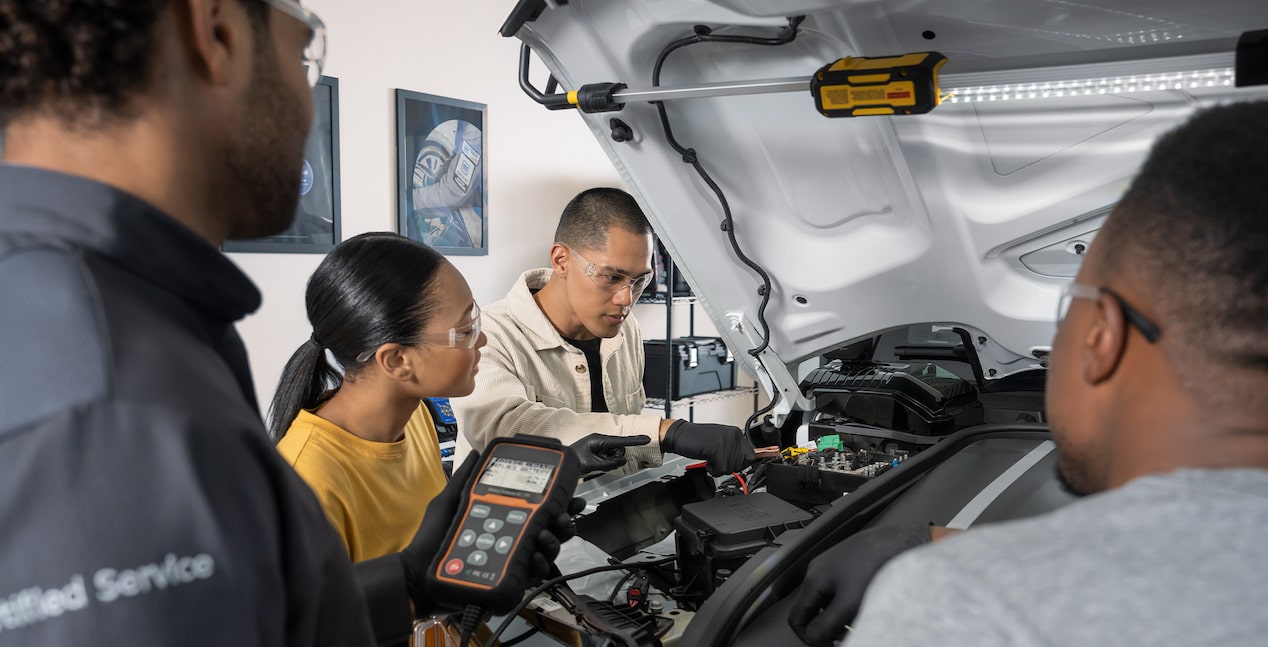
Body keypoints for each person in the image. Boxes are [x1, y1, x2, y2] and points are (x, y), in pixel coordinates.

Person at [0, 2, 575, 645]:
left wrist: (414, 582)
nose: (306, 107)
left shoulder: (125, 322)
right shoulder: (102, 380)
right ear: (214, 32)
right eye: (304, 56)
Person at [787, 101, 1268, 645]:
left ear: (1100, 336)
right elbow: (1193, 564)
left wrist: (952, 573)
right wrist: (937, 542)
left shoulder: (964, 608)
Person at [449, 187, 756, 476]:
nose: (626, 298)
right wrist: (666, 432)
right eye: (611, 277)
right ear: (561, 260)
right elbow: (507, 428)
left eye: (639, 280)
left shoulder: (625, 330)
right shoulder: (489, 336)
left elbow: (621, 444)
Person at [267, 232, 482, 563]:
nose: (483, 341)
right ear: (397, 360)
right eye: (466, 331)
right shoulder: (308, 481)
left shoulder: (415, 416)